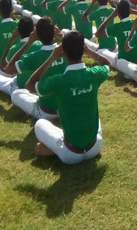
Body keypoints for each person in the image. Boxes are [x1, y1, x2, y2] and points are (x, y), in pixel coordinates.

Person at [23, 30, 111, 164]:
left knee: (40, 125)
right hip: (95, 147)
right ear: (83, 49)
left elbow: (29, 85)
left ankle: (55, 149)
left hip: (71, 154)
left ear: (63, 51)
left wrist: (52, 57)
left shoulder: (59, 81)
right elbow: (107, 64)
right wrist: (88, 52)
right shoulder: (94, 74)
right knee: (93, 116)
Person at [9, 18, 67, 119]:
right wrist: (62, 37)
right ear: (54, 32)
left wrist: (28, 43)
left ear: (37, 35)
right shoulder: (67, 51)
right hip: (66, 108)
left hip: (47, 111)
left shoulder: (35, 56)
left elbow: (9, 68)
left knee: (16, 93)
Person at [95, 0, 137, 66]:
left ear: (117, 13)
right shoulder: (136, 23)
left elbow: (97, 34)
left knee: (100, 51)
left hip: (121, 61)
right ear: (129, 10)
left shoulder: (116, 27)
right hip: (136, 61)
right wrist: (133, 11)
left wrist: (111, 16)